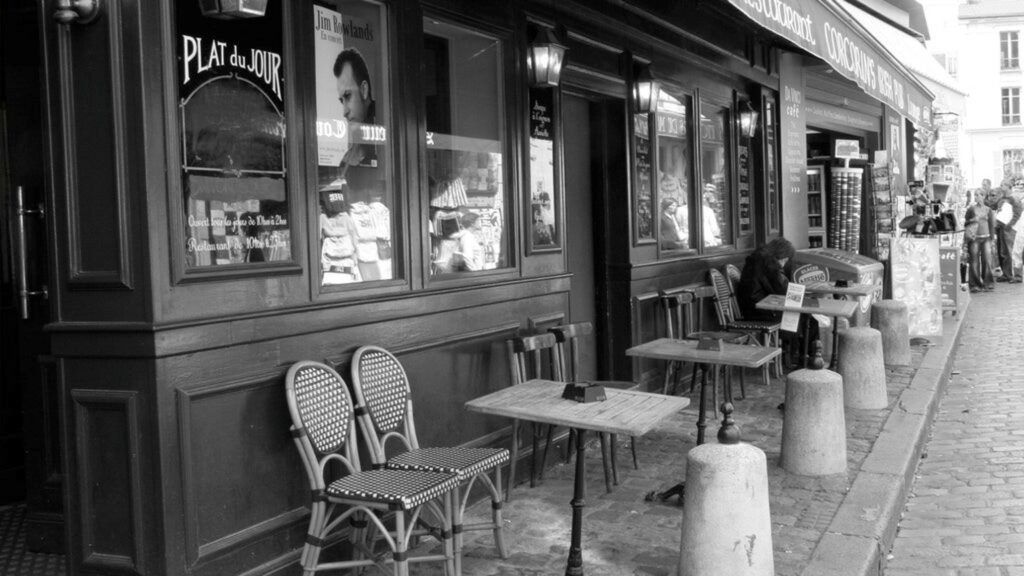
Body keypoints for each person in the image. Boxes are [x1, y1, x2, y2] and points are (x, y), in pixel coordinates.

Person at [736, 237, 795, 321]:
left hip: (751, 308)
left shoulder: (758, 257)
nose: (784, 264)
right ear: (783, 257)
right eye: (785, 261)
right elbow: (784, 291)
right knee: (805, 316)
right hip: (759, 311)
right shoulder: (769, 264)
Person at [965, 190, 997, 292]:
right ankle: (975, 284)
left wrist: (992, 239)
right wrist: (972, 220)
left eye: (979, 195)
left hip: (986, 237)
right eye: (976, 195)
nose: (977, 197)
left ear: (984, 196)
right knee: (974, 261)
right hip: (974, 237)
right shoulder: (971, 209)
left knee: (987, 260)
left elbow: (992, 225)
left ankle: (988, 283)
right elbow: (965, 223)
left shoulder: (988, 210)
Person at [994, 186, 1022, 282]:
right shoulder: (1003, 198)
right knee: (1003, 252)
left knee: (1010, 252)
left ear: (1008, 186)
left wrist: (1010, 225)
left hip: (1009, 228)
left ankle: (1014, 275)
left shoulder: (1014, 198)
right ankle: (1006, 274)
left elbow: (1017, 213)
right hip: (1002, 227)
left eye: (1003, 185)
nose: (1001, 187)